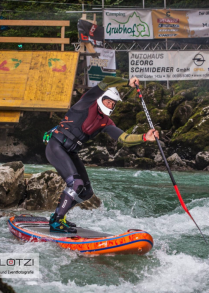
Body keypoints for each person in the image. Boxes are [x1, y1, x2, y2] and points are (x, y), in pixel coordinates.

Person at [46, 76, 159, 233]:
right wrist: (128, 82)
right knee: (76, 184)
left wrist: (145, 137)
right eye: (108, 101)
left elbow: (124, 139)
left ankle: (58, 216)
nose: (111, 105)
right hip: (56, 146)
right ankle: (57, 221)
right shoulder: (86, 103)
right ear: (101, 99)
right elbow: (106, 81)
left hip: (70, 152)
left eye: (113, 103)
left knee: (86, 192)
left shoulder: (106, 122)